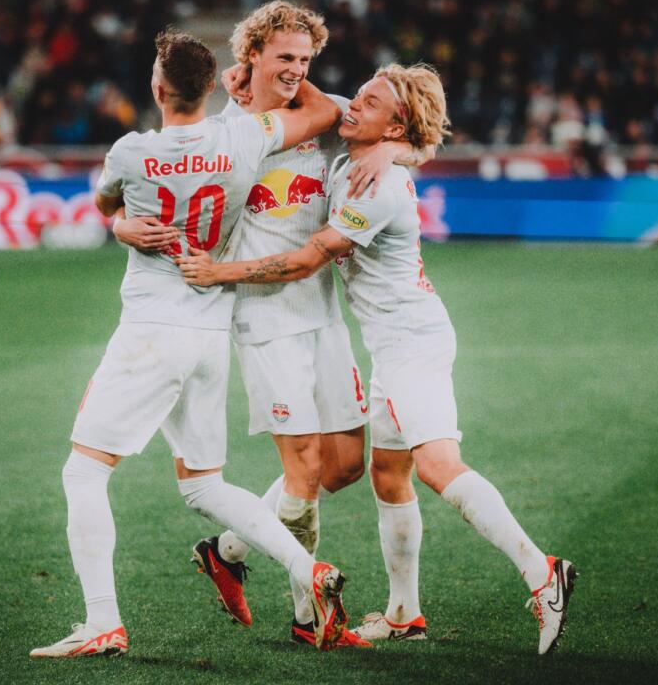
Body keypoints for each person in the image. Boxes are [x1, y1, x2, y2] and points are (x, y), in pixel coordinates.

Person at [177, 64, 578, 655]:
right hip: (392, 344)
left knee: (438, 466)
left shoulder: (378, 185)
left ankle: (542, 573)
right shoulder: (356, 149)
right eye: (359, 96)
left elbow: (310, 257)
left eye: (370, 102)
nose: (353, 106)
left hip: (412, 344)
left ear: (397, 123)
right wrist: (257, 70)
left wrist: (219, 273)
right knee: (387, 476)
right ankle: (402, 613)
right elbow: (315, 96)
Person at [31, 30, 351, 658]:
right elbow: (324, 111)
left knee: (84, 470)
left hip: (151, 330)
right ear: (215, 87)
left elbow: (105, 205)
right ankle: (304, 568)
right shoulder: (243, 137)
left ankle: (102, 623)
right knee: (203, 485)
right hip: (210, 332)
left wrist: (125, 225)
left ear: (156, 87)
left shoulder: (131, 151)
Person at [114, 0, 422, 647]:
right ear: (248, 56)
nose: (297, 70)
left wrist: (393, 149)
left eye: (306, 60)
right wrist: (119, 223)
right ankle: (312, 615)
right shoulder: (232, 134)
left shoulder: (318, 119)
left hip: (322, 313)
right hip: (262, 314)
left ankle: (227, 550)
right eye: (285, 57)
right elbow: (138, 192)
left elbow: (397, 129)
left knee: (342, 466)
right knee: (304, 467)